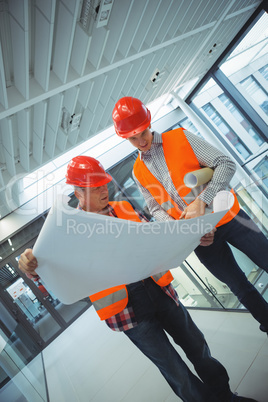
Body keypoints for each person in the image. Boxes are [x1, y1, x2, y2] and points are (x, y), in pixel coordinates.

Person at [18, 156, 257, 402]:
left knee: (198, 348)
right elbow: (52, 281)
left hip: (160, 292)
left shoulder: (124, 208)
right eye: (95, 187)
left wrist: (195, 236)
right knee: (176, 372)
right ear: (78, 192)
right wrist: (33, 268)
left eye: (104, 184)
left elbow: (159, 240)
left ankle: (226, 397)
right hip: (127, 312)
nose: (104, 190)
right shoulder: (67, 231)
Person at [112, 96, 268, 335]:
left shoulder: (180, 137)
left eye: (142, 133)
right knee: (239, 286)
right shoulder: (138, 171)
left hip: (231, 218)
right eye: (133, 138)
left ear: (149, 123)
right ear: (125, 137)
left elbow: (225, 163)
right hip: (200, 239)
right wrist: (185, 231)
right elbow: (155, 209)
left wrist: (202, 202)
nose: (141, 141)